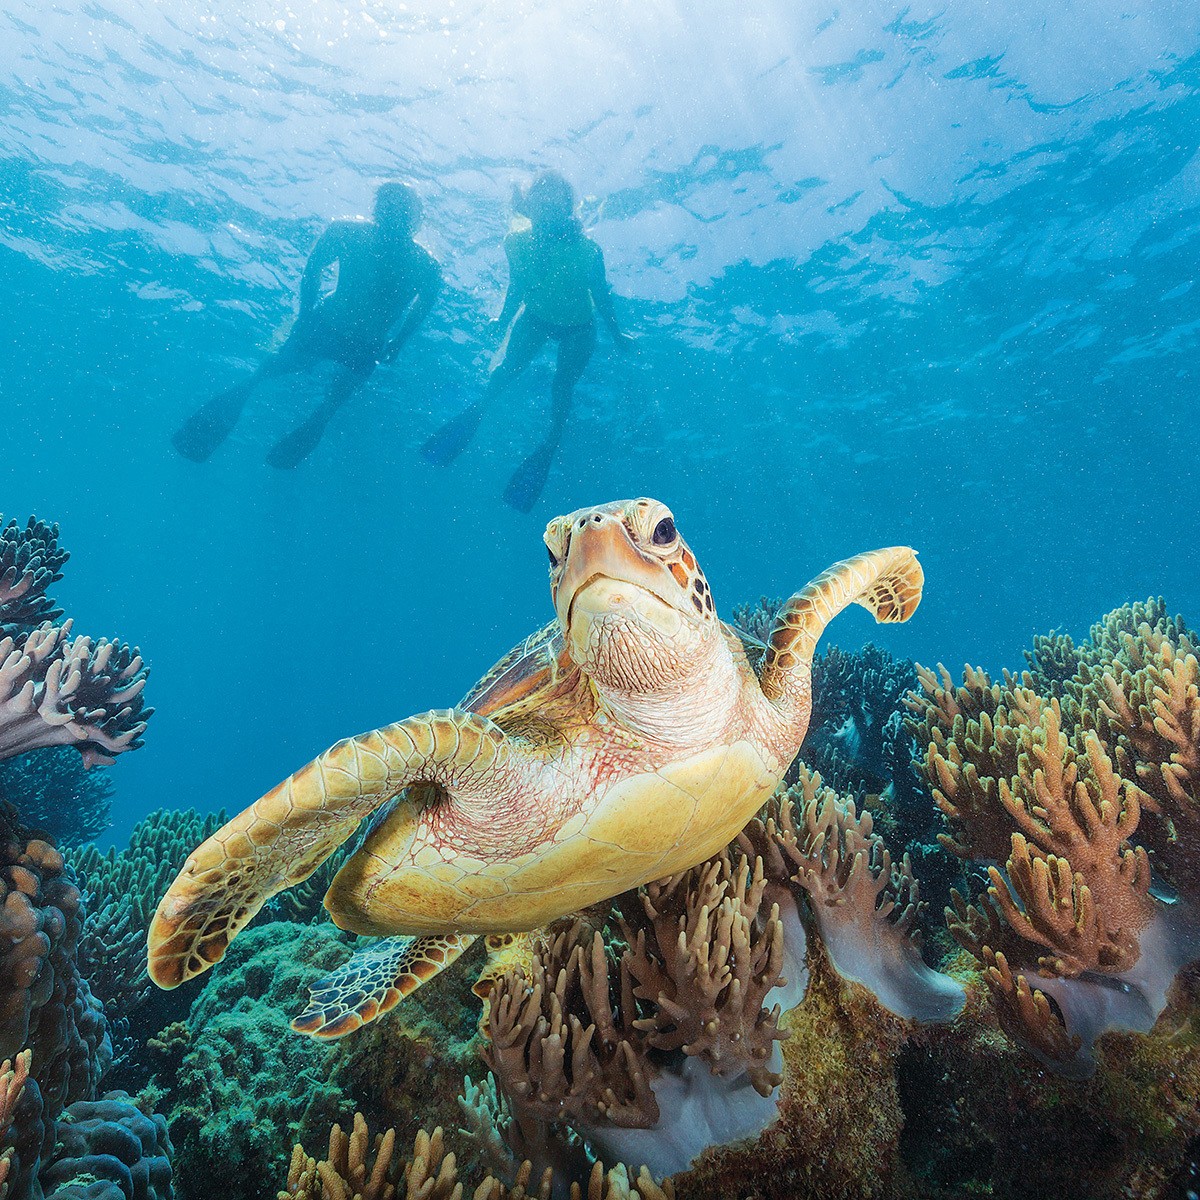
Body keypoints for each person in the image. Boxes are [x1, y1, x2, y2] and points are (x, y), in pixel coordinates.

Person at [173, 182, 442, 468]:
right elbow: (418, 309)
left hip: (335, 330)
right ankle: (313, 421)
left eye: (399, 209)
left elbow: (313, 268)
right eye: (394, 209)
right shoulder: (421, 263)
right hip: (350, 336)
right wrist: (396, 342)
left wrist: (306, 318)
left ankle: (307, 419)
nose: (395, 215)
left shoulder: (356, 236)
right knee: (321, 400)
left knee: (273, 379)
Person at [421, 171, 633, 512]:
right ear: (529, 205)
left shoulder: (588, 250)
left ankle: (549, 444)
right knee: (506, 371)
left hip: (580, 327)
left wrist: (617, 334)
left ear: (568, 208)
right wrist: (502, 321)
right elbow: (516, 285)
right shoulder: (515, 243)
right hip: (534, 318)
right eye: (541, 197)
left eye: (556, 199)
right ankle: (478, 411)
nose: (548, 205)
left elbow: (601, 296)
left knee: (562, 387)